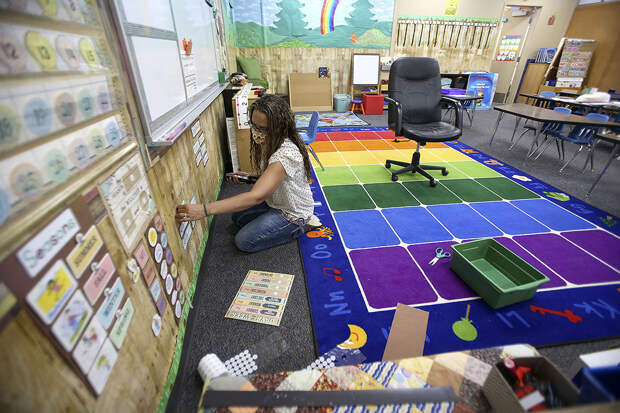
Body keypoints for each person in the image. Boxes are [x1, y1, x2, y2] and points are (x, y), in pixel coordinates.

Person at [175, 94, 320, 252]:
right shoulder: (271, 141)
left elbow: (256, 196)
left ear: (277, 128)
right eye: (253, 125)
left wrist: (204, 210)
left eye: (262, 129)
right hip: (276, 201)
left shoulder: (285, 154)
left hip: (292, 212)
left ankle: (301, 227)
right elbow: (272, 173)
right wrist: (251, 176)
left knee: (244, 241)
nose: (256, 132)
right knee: (238, 218)